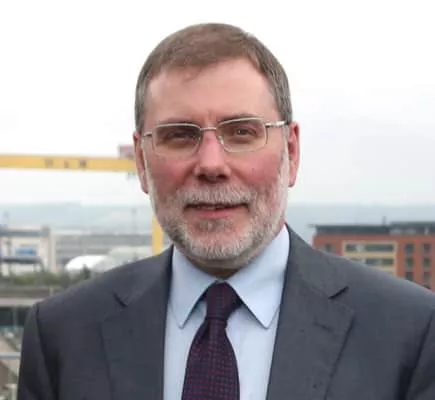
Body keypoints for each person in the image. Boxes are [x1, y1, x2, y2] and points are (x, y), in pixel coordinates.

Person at [17, 23, 435, 400]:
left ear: (291, 152)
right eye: (180, 136)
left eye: (242, 132)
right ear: (141, 163)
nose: (211, 164)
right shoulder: (62, 336)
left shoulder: (409, 332)